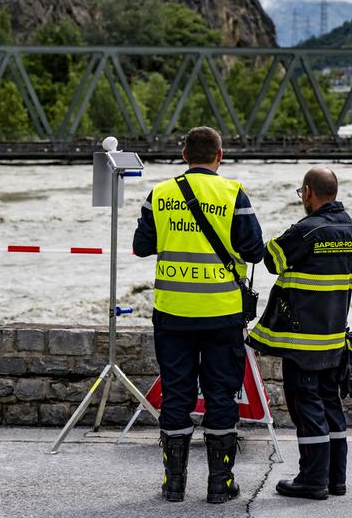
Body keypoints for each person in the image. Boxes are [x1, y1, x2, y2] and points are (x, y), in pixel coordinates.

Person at [133, 126, 264, 504]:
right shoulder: (232, 193)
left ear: (185, 154)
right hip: (222, 313)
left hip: (173, 312)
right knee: (221, 394)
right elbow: (254, 251)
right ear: (219, 156)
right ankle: (219, 485)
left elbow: (142, 247)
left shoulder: (160, 194)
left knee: (177, 393)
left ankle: (173, 485)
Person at [247, 166, 352, 500]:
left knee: (306, 407)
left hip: (302, 340)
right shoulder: (351, 230)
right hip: (333, 339)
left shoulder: (307, 230)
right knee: (330, 404)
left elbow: (270, 260)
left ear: (309, 192)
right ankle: (334, 479)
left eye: (301, 193)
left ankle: (312, 481)